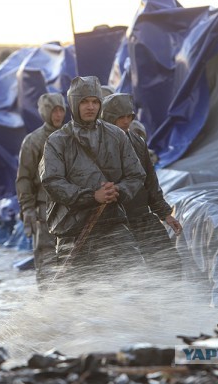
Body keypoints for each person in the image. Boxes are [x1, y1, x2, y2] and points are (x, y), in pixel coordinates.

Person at [40, 76, 146, 283]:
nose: (90, 107)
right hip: (72, 227)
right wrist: (92, 196)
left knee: (136, 279)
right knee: (76, 291)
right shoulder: (57, 141)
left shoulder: (117, 136)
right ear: (74, 103)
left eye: (95, 102)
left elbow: (136, 174)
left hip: (112, 221)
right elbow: (52, 181)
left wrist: (119, 191)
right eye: (85, 102)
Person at [101, 93, 182, 268]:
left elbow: (151, 182)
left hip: (141, 215)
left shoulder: (137, 142)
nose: (125, 121)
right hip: (113, 219)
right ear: (108, 118)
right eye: (120, 117)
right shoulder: (98, 146)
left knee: (169, 263)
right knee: (127, 270)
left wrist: (165, 214)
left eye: (128, 116)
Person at [16, 92, 66, 288]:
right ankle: (48, 303)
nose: (58, 115)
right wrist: (27, 209)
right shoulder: (33, 141)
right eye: (53, 110)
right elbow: (24, 178)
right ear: (45, 112)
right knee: (46, 259)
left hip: (71, 207)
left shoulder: (71, 137)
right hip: (44, 209)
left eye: (61, 110)